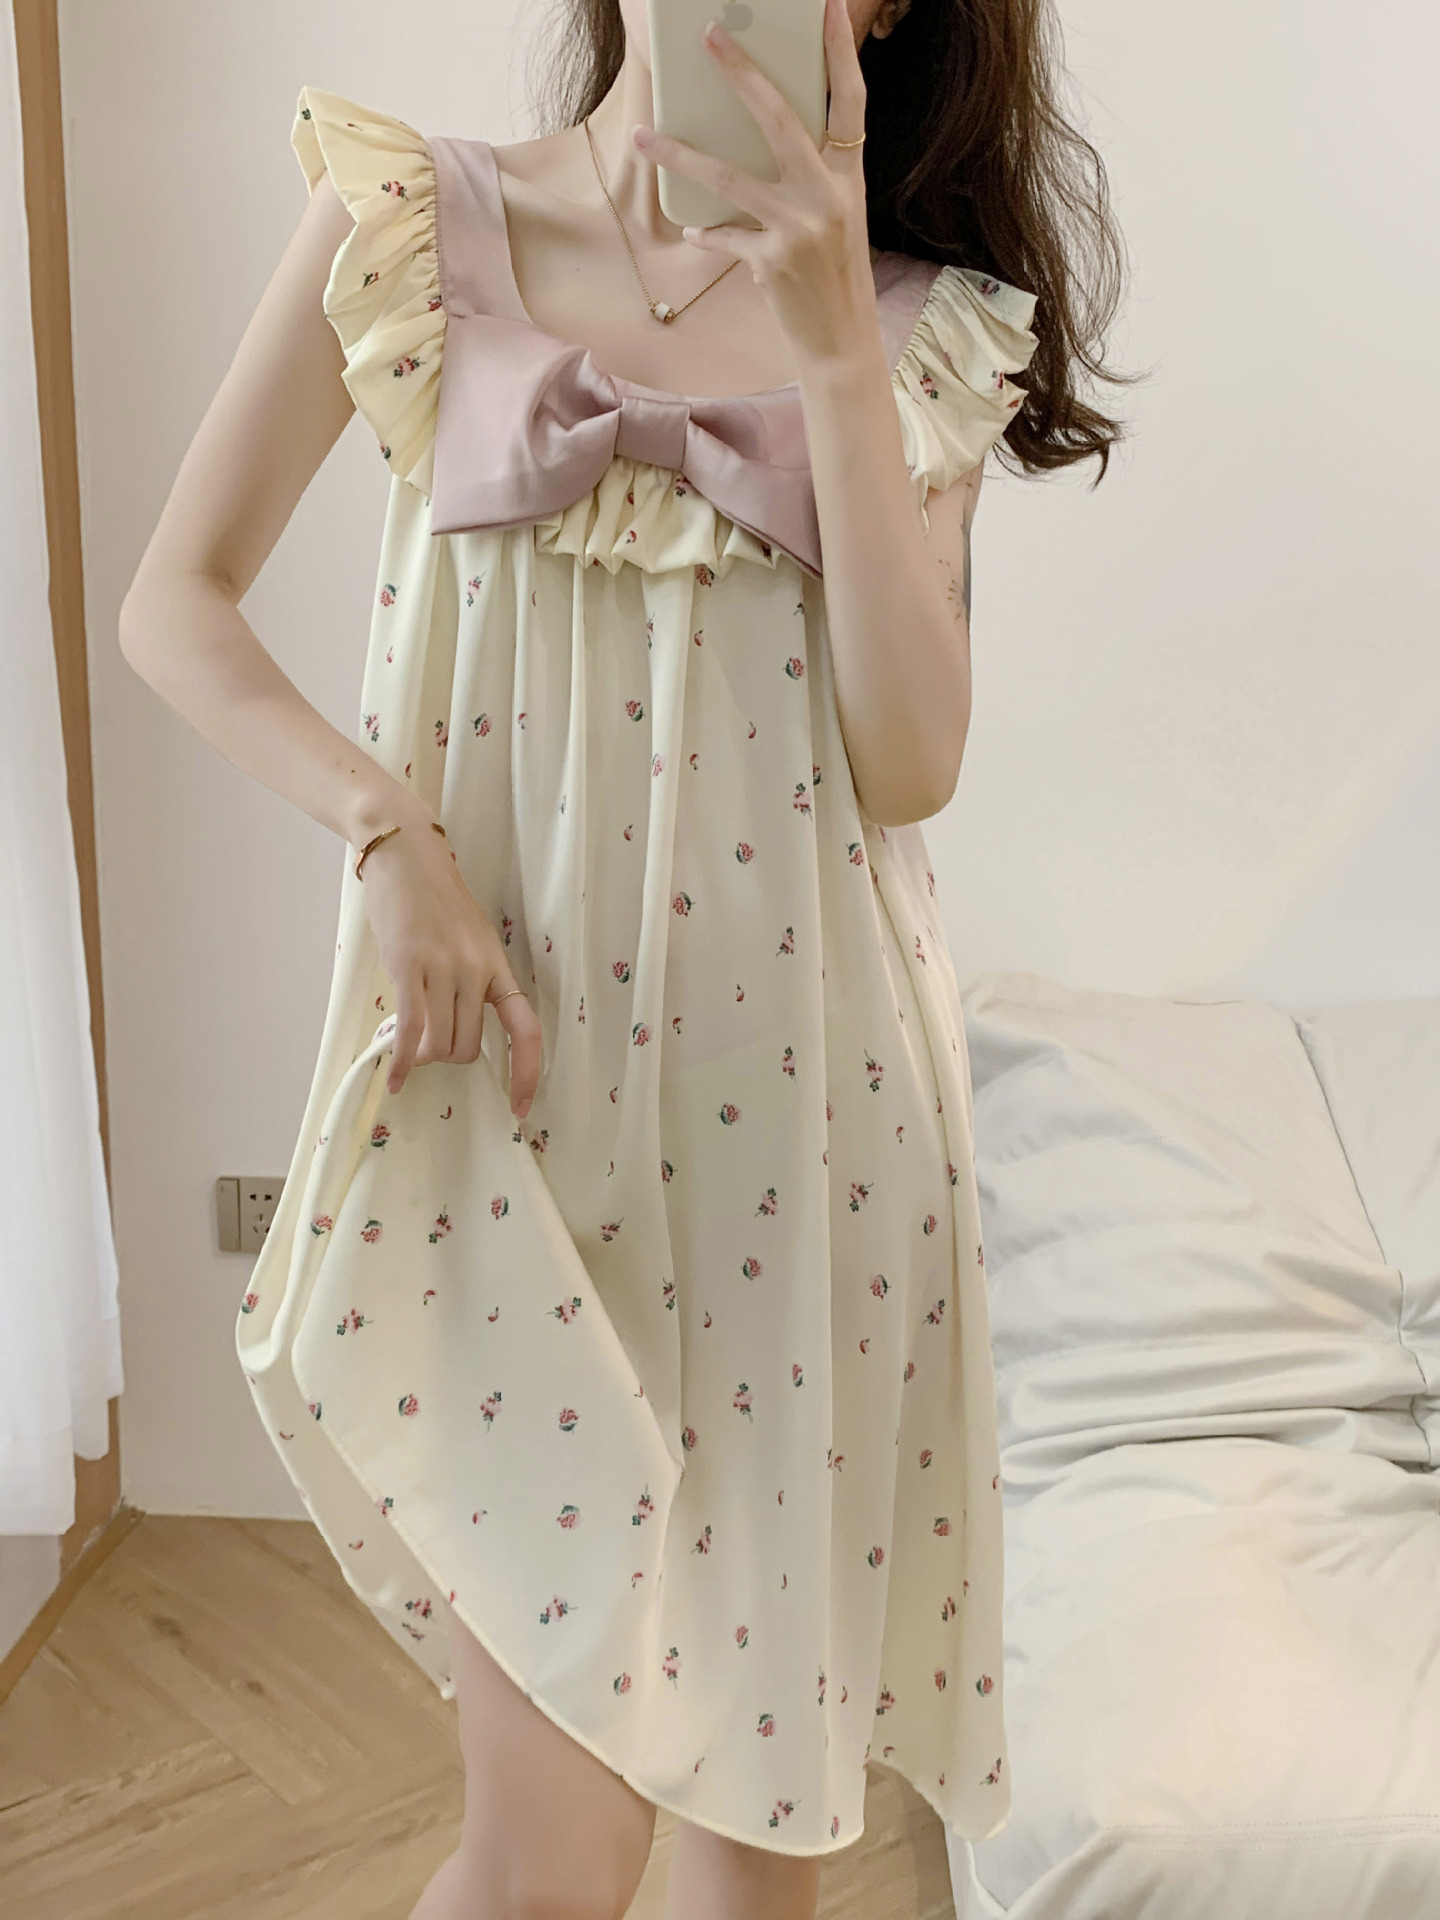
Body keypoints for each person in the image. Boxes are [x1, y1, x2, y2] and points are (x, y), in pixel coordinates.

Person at [118, 0, 1125, 1913]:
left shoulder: (923, 330)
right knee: (543, 1870)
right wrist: (385, 828)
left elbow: (913, 763)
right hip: (507, 1116)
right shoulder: (404, 224)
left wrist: (834, 348)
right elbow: (176, 600)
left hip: (807, 1150)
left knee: (760, 1861)